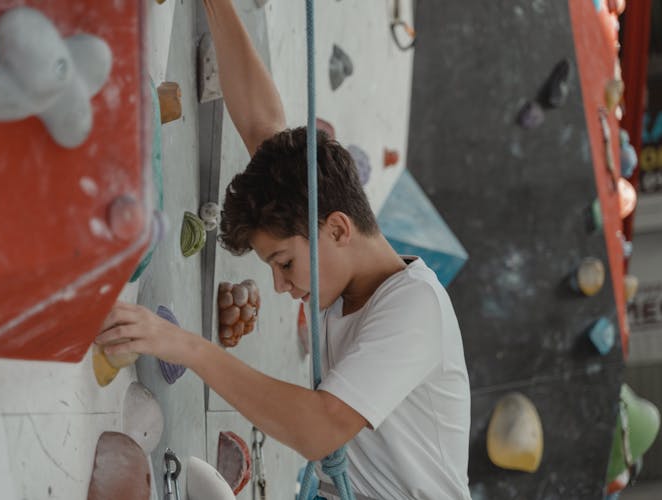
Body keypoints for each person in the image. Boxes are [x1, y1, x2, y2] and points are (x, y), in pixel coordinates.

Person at [96, 1, 471, 498]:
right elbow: (261, 126)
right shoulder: (336, 263)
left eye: (285, 263)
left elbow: (318, 429)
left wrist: (184, 344)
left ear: (338, 229)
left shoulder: (414, 306)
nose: (279, 283)